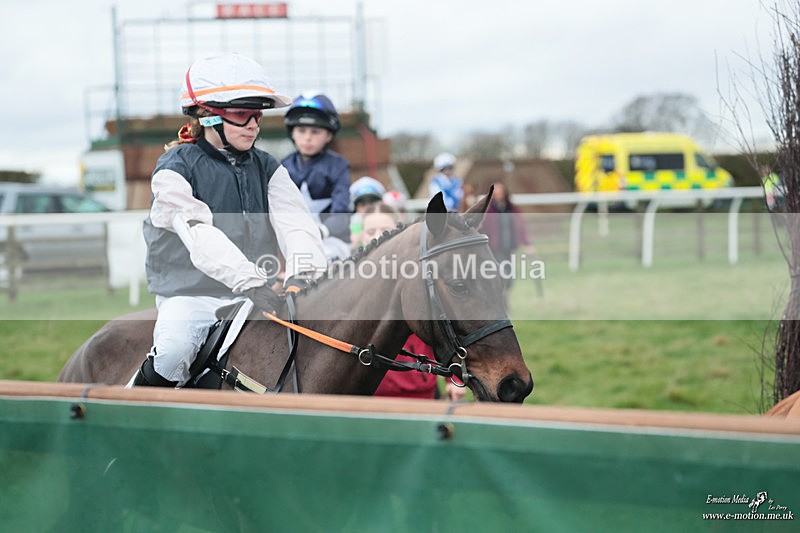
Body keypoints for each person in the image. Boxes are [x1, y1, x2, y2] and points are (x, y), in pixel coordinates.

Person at [134, 52, 327, 387]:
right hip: (191, 296)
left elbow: (297, 224)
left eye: (257, 115)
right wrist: (250, 281)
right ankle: (133, 408)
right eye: (241, 115)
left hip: (256, 292)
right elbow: (200, 236)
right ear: (208, 117)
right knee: (173, 351)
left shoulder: (268, 166)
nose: (253, 125)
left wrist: (302, 274)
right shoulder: (174, 168)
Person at [360, 203, 466, 401]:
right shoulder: (351, 280)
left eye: (385, 230)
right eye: (371, 231)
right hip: (369, 395)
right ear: (361, 236)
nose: (378, 236)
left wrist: (453, 378)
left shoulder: (418, 276)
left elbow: (443, 326)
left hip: (419, 392)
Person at [281, 93, 351, 260]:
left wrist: (320, 231)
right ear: (292, 133)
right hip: (293, 242)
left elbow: (341, 214)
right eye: (301, 130)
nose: (307, 137)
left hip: (332, 241)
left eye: (315, 131)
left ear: (329, 135)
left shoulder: (338, 165)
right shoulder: (282, 166)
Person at [481, 181, 536, 303]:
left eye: (500, 192)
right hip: (495, 249)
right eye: (496, 193)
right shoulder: (488, 210)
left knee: (509, 277)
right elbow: (483, 228)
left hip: (509, 247)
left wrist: (528, 244)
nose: (499, 194)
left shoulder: (512, 208)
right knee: (501, 275)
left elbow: (521, 227)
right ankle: (502, 302)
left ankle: (504, 299)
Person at [348, 176, 386, 249]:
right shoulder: (349, 229)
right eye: (363, 204)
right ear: (356, 208)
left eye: (372, 203)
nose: (368, 208)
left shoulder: (391, 223)